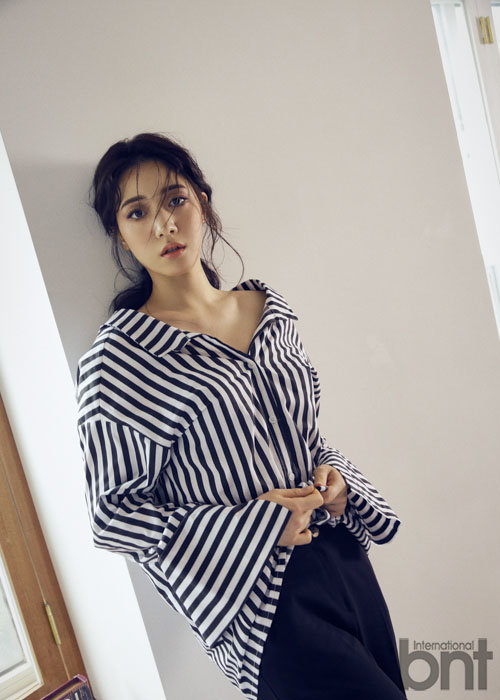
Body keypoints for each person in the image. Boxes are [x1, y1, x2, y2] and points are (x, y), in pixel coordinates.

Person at [75, 132, 407, 700]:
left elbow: (304, 435)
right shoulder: (121, 360)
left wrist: (335, 478)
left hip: (345, 559)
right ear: (120, 234)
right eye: (138, 212)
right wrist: (257, 526)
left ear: (202, 203)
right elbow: (114, 514)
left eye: (175, 200)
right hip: (260, 604)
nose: (164, 224)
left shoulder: (267, 309)